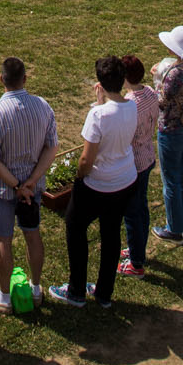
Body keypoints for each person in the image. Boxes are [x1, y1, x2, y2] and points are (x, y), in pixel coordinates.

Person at [48, 56, 138, 310]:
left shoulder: (97, 115)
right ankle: (104, 293)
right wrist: (101, 103)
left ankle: (76, 290)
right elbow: (116, 119)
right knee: (111, 235)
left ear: (100, 82)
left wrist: (79, 175)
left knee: (75, 228)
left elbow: (87, 157)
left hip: (98, 183)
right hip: (124, 179)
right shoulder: (131, 105)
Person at [0, 57, 58, 312]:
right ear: (25, 78)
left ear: (1, 79)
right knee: (32, 235)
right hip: (31, 189)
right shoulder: (42, 107)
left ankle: (3, 298)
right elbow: (52, 147)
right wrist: (31, 182)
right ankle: (36, 289)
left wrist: (16, 186)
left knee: (4, 241)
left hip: (3, 190)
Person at [149, 26, 183, 242]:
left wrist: (156, 81)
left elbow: (161, 101)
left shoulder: (175, 74)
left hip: (172, 129)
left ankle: (174, 229)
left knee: (170, 180)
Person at [114, 55, 161, 279]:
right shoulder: (150, 93)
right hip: (148, 156)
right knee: (141, 207)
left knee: (132, 213)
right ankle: (138, 248)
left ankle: (136, 264)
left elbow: (122, 131)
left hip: (133, 162)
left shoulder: (131, 102)